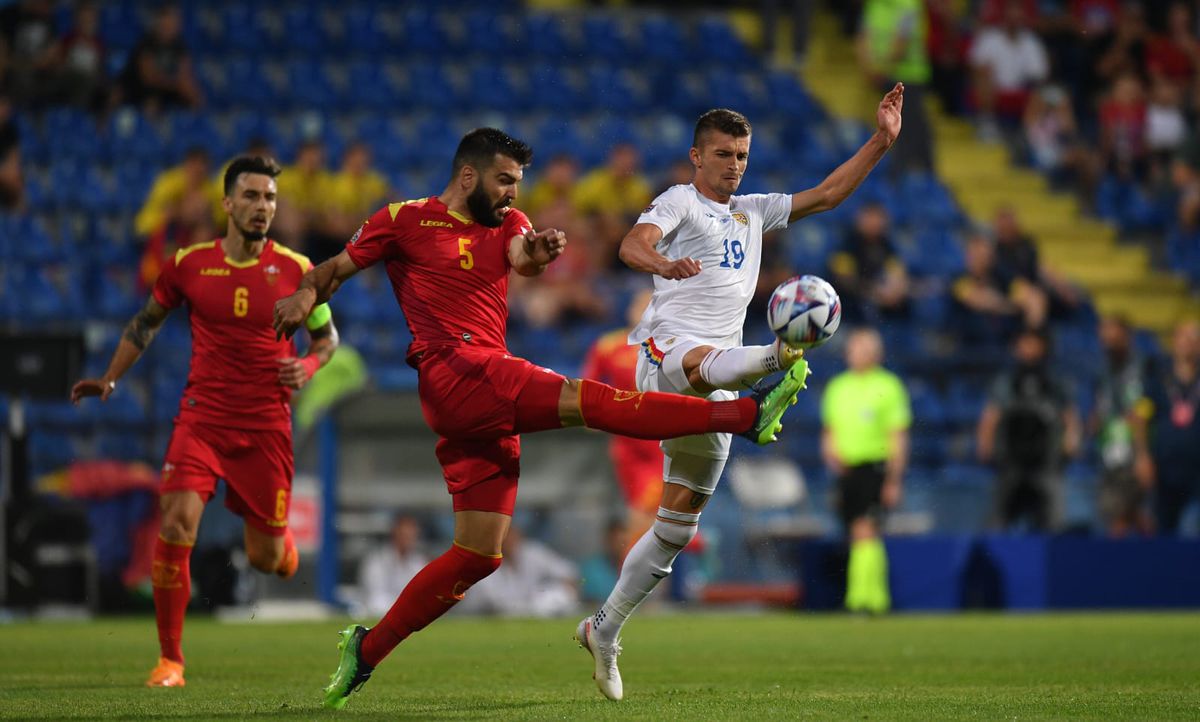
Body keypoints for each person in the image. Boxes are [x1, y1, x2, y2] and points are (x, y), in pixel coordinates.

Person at [269, 128, 809, 710]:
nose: (511, 194)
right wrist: (304, 296)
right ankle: (746, 414)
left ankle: (366, 650)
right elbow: (332, 271)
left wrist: (539, 252)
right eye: (504, 180)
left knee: (479, 553)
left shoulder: (509, 223)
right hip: (456, 369)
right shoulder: (404, 220)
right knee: (588, 399)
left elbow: (521, 257)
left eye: (518, 184)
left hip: (477, 397)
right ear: (469, 176)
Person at [578, 86, 903, 701]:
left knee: (676, 527)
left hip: (716, 387)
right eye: (723, 153)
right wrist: (662, 262)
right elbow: (631, 244)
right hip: (667, 357)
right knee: (704, 364)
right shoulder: (679, 201)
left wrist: (881, 141)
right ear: (697, 157)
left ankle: (605, 629)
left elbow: (829, 194)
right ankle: (774, 364)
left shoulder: (753, 212)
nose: (734, 164)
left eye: (743, 155)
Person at [71, 156, 339, 687]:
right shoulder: (188, 264)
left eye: (270, 198)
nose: (262, 206)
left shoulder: (297, 270)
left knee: (266, 558)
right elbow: (144, 324)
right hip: (203, 418)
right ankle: (171, 660)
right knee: (176, 522)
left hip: (265, 426)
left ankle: (277, 549)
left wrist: (307, 365)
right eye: (252, 196)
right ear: (227, 203)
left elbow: (327, 340)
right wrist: (110, 379)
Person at [821, 329, 911, 614]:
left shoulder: (889, 385)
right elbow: (830, 430)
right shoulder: (838, 387)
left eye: (861, 347)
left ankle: (862, 600)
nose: (854, 352)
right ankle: (875, 598)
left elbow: (897, 436)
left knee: (865, 531)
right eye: (853, 347)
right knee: (859, 533)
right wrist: (831, 453)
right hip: (847, 472)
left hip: (875, 468)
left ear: (875, 353)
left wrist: (894, 480)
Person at [976, 327, 1080, 532]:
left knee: (1052, 521)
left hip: (1046, 462)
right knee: (999, 520)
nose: (1028, 349)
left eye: (1033, 344)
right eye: (1024, 344)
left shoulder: (1054, 380)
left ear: (1044, 348)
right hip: (1012, 461)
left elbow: (1069, 414)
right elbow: (991, 414)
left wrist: (1071, 440)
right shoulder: (1007, 380)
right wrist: (985, 442)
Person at [1131, 320, 1200, 535]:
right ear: (1174, 341)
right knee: (1162, 531)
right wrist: (1142, 456)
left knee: (1192, 528)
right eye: (1183, 337)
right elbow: (1140, 417)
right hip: (1164, 468)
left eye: (1194, 338)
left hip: (1197, 469)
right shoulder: (1157, 376)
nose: (1188, 343)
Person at [1092, 315, 1150, 537]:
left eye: (1113, 335)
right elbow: (1102, 405)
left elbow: (1142, 412)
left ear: (1127, 336)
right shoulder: (1103, 371)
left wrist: (1143, 455)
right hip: (1109, 452)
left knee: (1123, 519)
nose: (1108, 340)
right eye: (1104, 336)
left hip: (1135, 453)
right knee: (1121, 516)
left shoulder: (1143, 369)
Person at [456, 524, 580, 618]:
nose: (509, 542)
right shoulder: (484, 563)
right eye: (504, 537)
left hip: (536, 607)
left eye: (511, 536)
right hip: (493, 614)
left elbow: (568, 573)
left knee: (559, 593)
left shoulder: (534, 553)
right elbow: (491, 604)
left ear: (519, 537)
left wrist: (565, 590)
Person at [116, 4, 201, 111]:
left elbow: (184, 73)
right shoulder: (146, 43)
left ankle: (194, 124)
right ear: (160, 22)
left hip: (168, 88)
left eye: (175, 21)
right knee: (151, 99)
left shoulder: (181, 46)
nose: (172, 25)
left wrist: (190, 92)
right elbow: (148, 77)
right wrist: (175, 83)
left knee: (193, 95)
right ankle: (146, 127)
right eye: (168, 21)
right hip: (141, 89)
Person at [358, 515, 429, 617]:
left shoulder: (418, 562)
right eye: (404, 535)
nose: (408, 540)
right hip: (378, 617)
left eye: (411, 536)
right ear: (395, 534)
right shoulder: (376, 561)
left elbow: (423, 596)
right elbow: (375, 599)